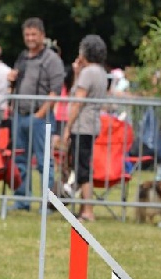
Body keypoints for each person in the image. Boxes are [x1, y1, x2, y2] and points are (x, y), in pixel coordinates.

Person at [8, 17, 65, 211]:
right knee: (20, 160)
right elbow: (15, 82)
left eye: (34, 34)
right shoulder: (23, 57)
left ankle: (47, 203)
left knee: (44, 162)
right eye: (27, 35)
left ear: (42, 35)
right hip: (19, 114)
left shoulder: (52, 59)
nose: (30, 38)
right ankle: (22, 200)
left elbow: (55, 91)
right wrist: (11, 80)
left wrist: (40, 114)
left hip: (41, 117)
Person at [61, 35, 109, 222]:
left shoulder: (89, 73)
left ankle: (87, 210)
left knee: (82, 168)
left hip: (83, 125)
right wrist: (76, 71)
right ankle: (84, 209)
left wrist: (67, 127)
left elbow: (77, 101)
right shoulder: (100, 72)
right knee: (80, 165)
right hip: (92, 124)